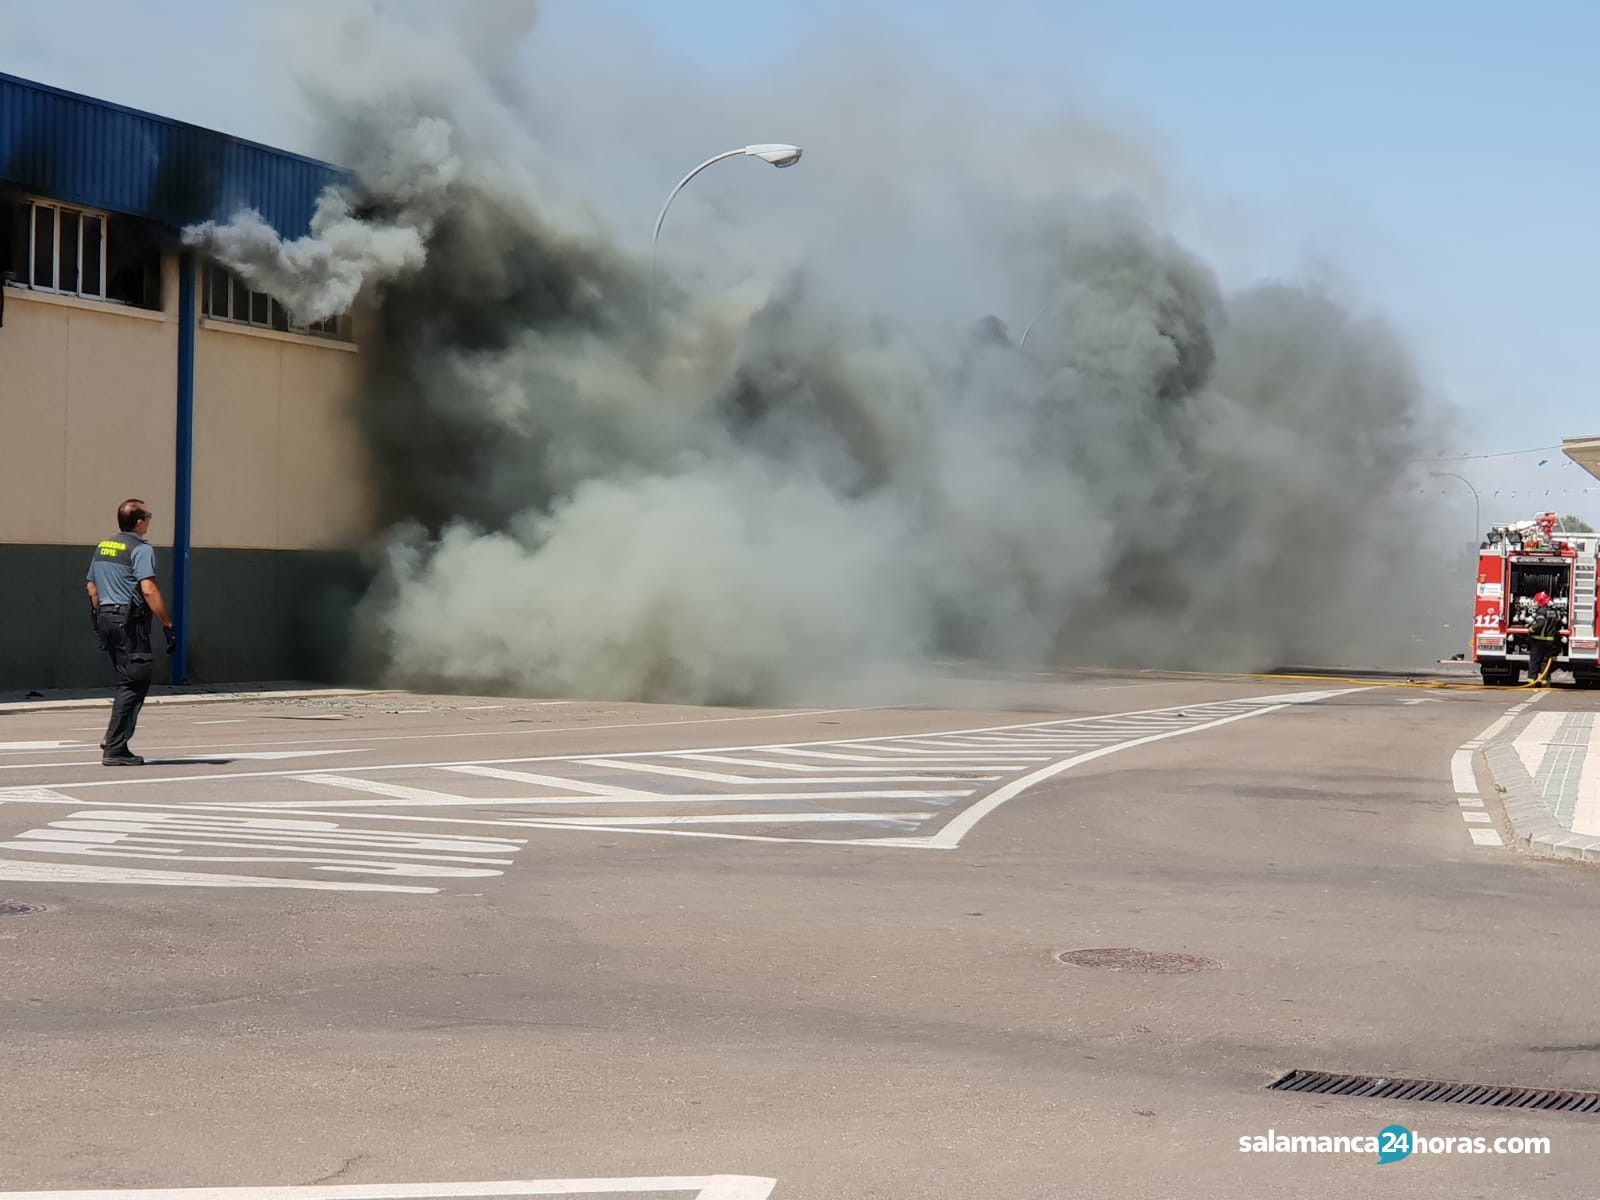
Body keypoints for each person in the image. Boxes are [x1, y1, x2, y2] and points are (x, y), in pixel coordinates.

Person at [85, 499, 176, 765]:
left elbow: (92, 588)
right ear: (139, 522)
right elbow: (148, 589)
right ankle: (115, 746)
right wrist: (168, 624)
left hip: (106, 619)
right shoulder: (140, 549)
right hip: (128, 622)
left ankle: (114, 738)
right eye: (148, 515)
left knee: (127, 680)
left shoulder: (104, 546)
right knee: (135, 681)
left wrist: (104, 616)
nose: (149, 519)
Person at [1527, 590, 1563, 688]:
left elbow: (1540, 624)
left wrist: (1531, 628)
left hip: (1538, 640)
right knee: (1545, 661)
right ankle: (1544, 681)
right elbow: (1558, 621)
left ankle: (1532, 681)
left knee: (1535, 661)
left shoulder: (1541, 611)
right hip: (1549, 640)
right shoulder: (1554, 612)